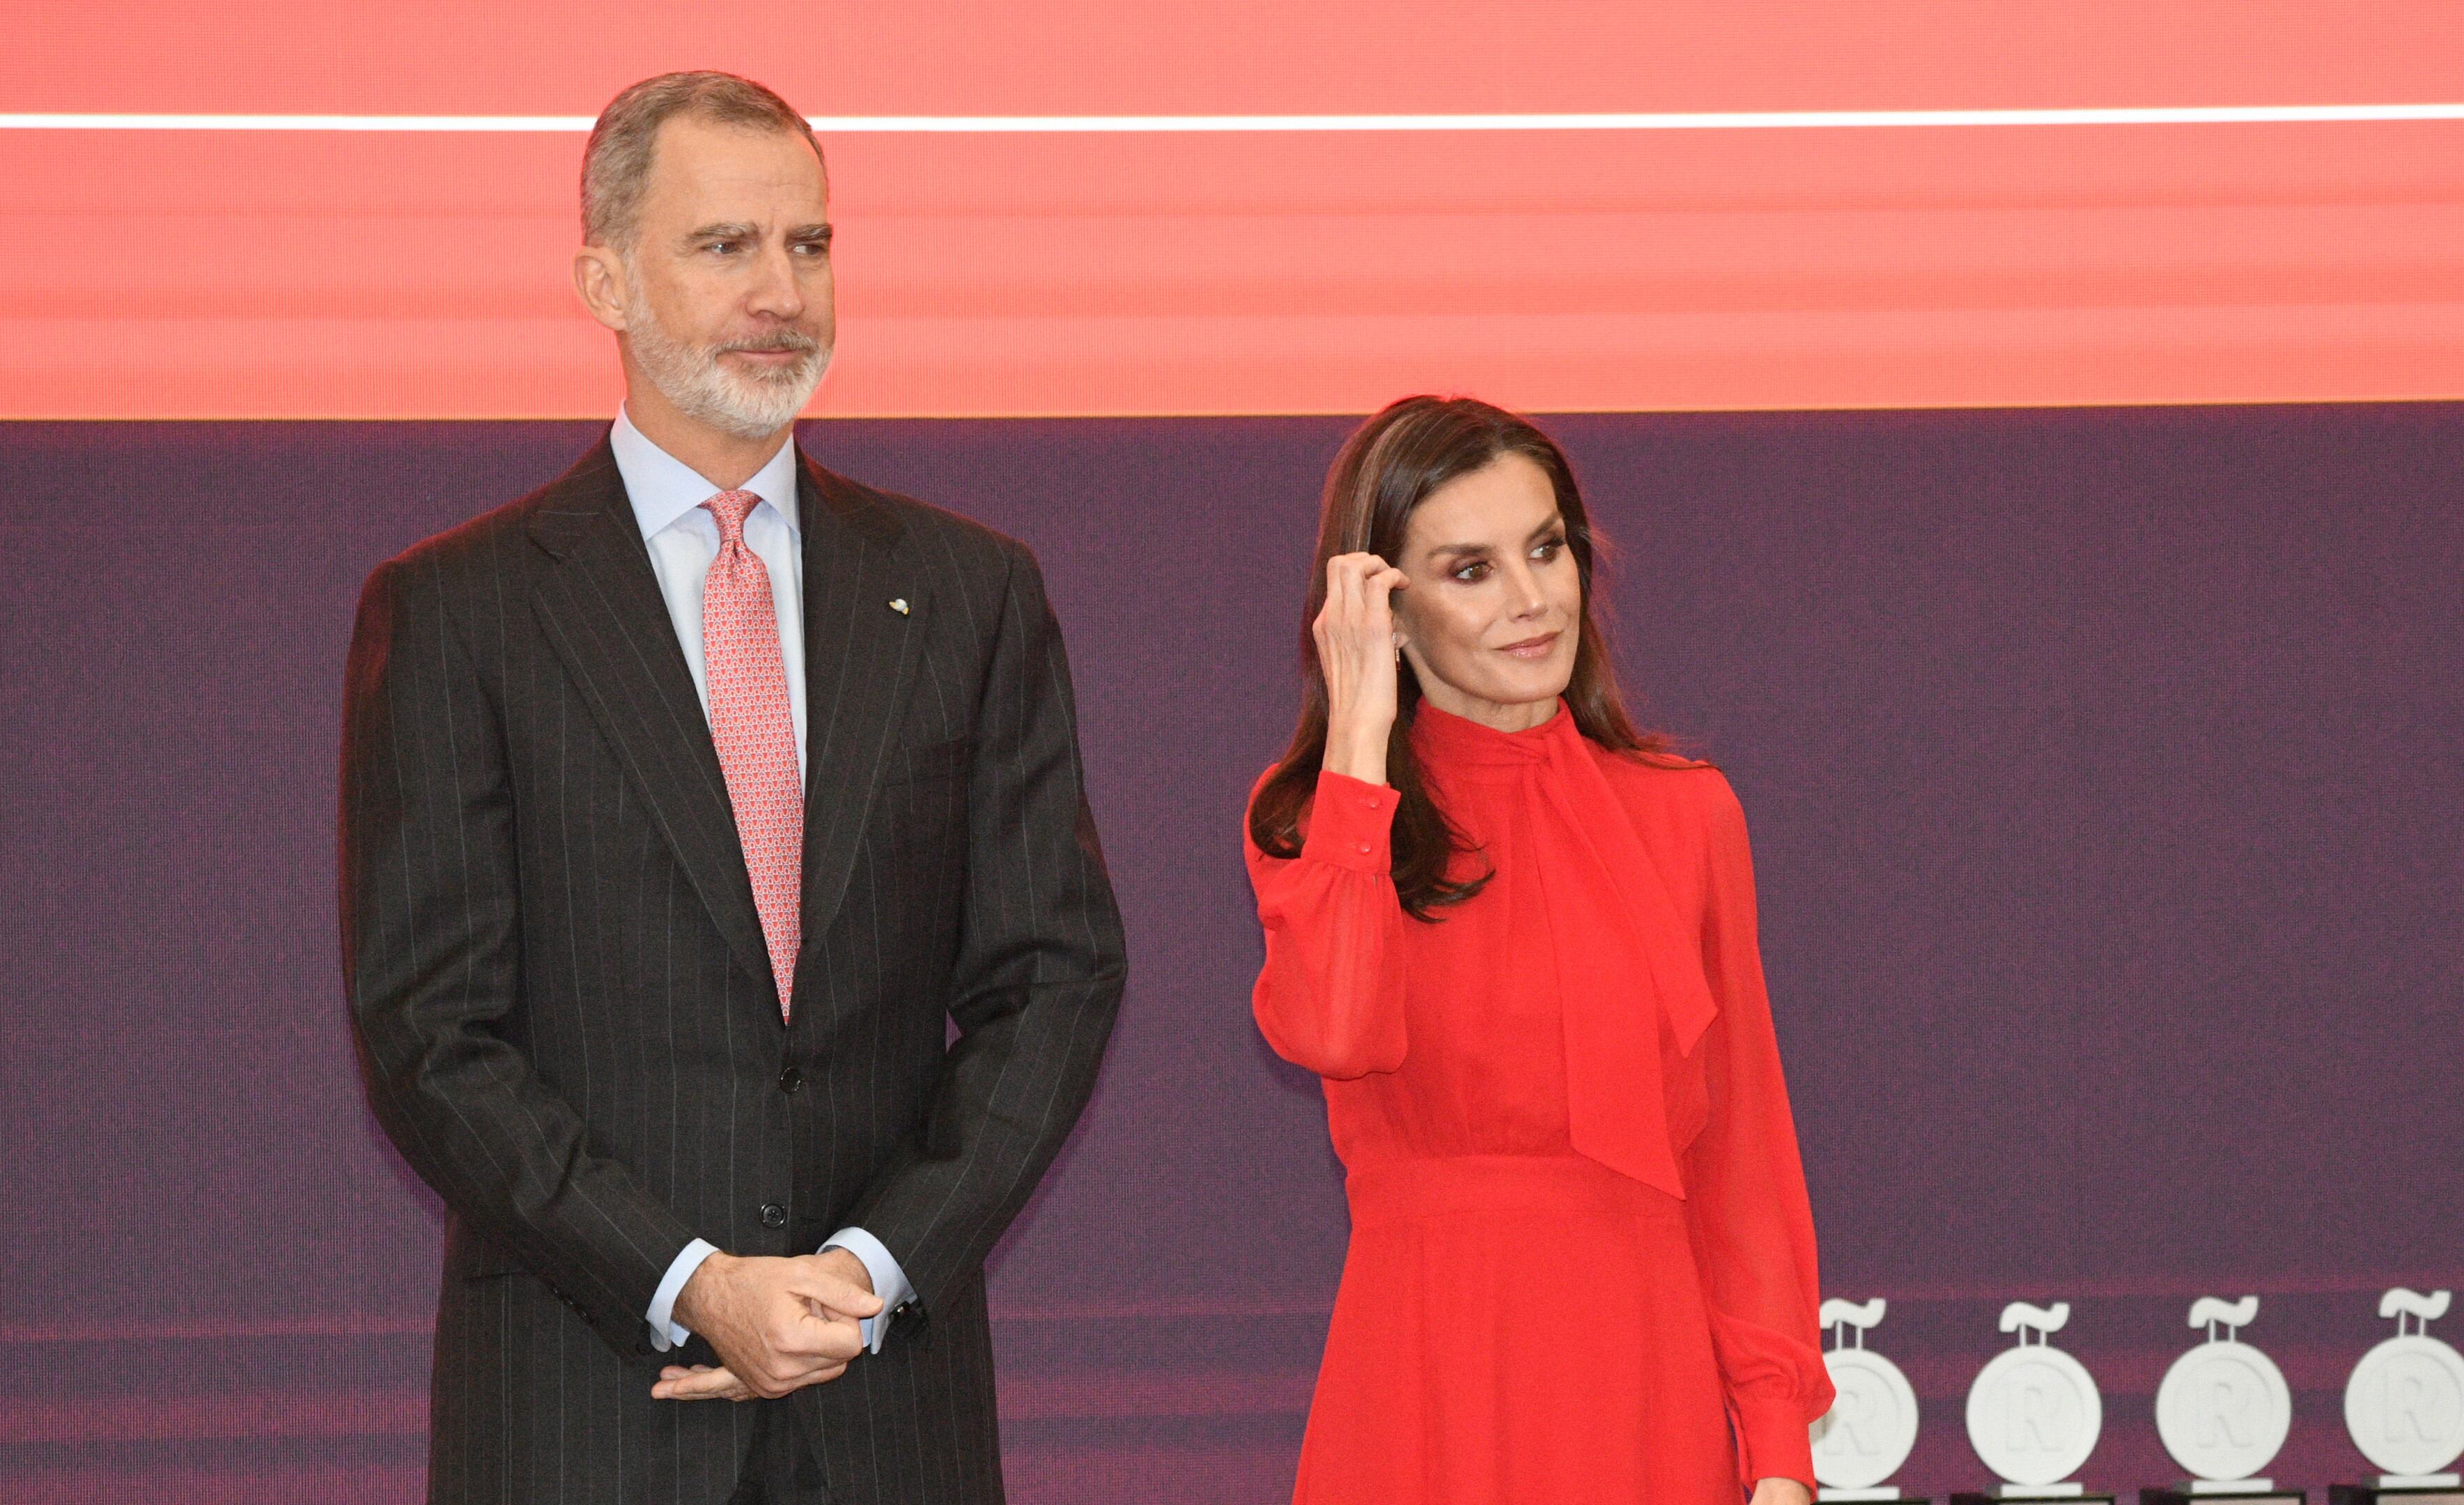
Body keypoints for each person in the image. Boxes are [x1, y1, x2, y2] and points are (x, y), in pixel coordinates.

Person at [339, 71, 1126, 1504]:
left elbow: (1055, 975)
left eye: (809, 245)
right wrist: (689, 1280)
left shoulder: (968, 592)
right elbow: (430, 1033)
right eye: (724, 246)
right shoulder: (462, 610)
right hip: (585, 1410)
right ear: (603, 280)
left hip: (887, 1406)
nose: (782, 292)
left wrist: (869, 1271)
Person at [1243, 396, 1834, 1503]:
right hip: (1425, 1382)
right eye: (1471, 570)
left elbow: (1742, 1158)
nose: (1532, 600)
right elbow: (1334, 1030)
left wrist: (1778, 1451)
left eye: (1547, 549)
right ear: (1386, 611)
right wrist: (1360, 738)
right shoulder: (1317, 822)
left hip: (1644, 1384)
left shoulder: (1686, 814)